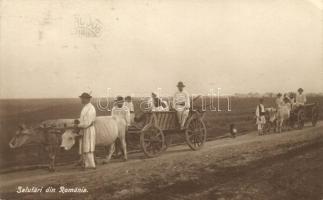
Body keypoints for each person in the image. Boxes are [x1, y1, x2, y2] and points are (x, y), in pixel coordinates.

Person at [76, 92, 96, 169]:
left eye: (83, 98)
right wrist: (78, 122)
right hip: (84, 129)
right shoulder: (85, 107)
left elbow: (87, 122)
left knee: (88, 146)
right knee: (85, 146)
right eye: (81, 98)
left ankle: (91, 165)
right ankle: (86, 164)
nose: (81, 100)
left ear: (87, 99)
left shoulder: (91, 108)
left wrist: (78, 125)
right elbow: (82, 119)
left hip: (88, 129)